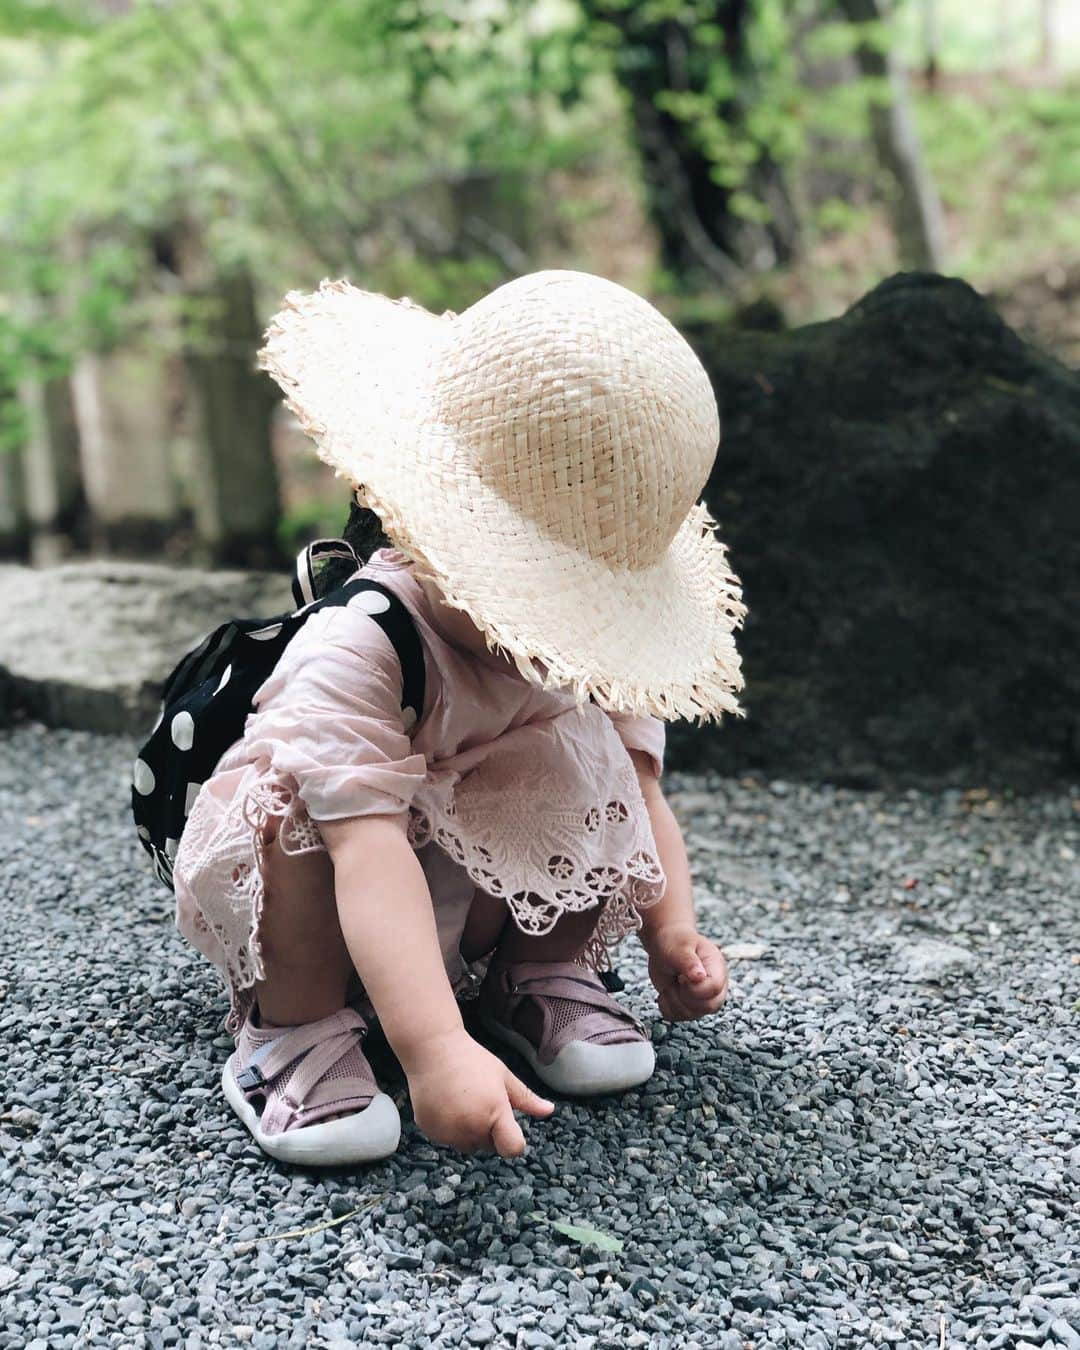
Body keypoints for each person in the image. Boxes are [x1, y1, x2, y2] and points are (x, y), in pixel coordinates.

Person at [170, 269, 747, 1167]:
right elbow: (366, 848)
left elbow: (638, 794)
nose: (554, 639)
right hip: (343, 904)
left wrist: (671, 932)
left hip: (480, 901)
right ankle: (295, 1031)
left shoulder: (588, 659)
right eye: (541, 598)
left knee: (586, 757)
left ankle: (538, 971)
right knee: (291, 816)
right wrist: (435, 1055)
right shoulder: (364, 646)